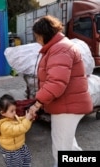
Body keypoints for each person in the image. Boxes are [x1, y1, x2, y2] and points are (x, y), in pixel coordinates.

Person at [28, 15, 93, 166]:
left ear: (44, 34)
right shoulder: (60, 46)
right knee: (70, 147)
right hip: (68, 104)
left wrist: (36, 104)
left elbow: (56, 83)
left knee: (61, 150)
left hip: (67, 107)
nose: (37, 41)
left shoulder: (60, 49)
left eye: (37, 37)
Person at [0, 94, 34, 167]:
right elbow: (20, 129)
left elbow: (19, 120)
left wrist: (27, 118)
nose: (15, 112)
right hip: (12, 152)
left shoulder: (12, 117)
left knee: (27, 160)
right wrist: (27, 120)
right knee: (15, 165)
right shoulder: (4, 126)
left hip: (20, 146)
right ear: (2, 113)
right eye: (12, 111)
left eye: (15, 110)